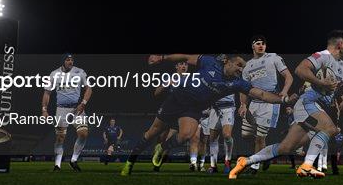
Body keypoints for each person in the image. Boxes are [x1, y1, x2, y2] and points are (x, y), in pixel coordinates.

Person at [120, 54, 297, 176]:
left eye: (243, 68)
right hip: (177, 99)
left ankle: (162, 148)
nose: (241, 69)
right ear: (227, 62)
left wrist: (282, 100)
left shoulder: (237, 83)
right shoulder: (210, 62)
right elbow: (185, 57)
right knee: (151, 133)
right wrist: (163, 58)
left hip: (193, 108)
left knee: (186, 135)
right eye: (239, 65)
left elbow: (261, 94)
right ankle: (130, 162)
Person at [229, 30, 343, 179]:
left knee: (285, 147)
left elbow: (331, 91)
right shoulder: (322, 56)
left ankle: (246, 161)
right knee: (329, 128)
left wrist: (340, 92)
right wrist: (320, 83)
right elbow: (300, 69)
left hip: (318, 107)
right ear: (340, 44)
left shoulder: (341, 66)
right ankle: (307, 166)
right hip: (309, 102)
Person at [239, 35, 293, 174]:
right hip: (254, 104)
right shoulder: (247, 66)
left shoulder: (273, 57)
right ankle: (265, 154)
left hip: (270, 102)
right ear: (253, 46)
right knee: (245, 135)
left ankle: (254, 167)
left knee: (260, 137)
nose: (261, 45)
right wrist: (243, 104)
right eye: (258, 43)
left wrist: (284, 92)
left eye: (263, 43)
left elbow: (288, 76)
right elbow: (244, 89)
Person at [41, 53, 93, 172]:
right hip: (61, 109)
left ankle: (73, 160)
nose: (71, 62)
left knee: (84, 133)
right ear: (63, 61)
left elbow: (89, 89)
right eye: (68, 60)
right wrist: (44, 109)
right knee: (60, 138)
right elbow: (47, 93)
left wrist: (83, 103)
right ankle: (57, 165)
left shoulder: (80, 72)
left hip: (77, 108)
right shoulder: (54, 74)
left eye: (72, 60)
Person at [151, 61, 188, 171]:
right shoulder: (169, 78)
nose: (184, 66)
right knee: (161, 139)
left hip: (180, 114)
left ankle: (157, 165)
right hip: (167, 113)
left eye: (186, 64)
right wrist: (167, 83)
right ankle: (157, 155)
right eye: (181, 64)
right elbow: (156, 93)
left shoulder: (191, 80)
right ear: (176, 66)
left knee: (168, 141)